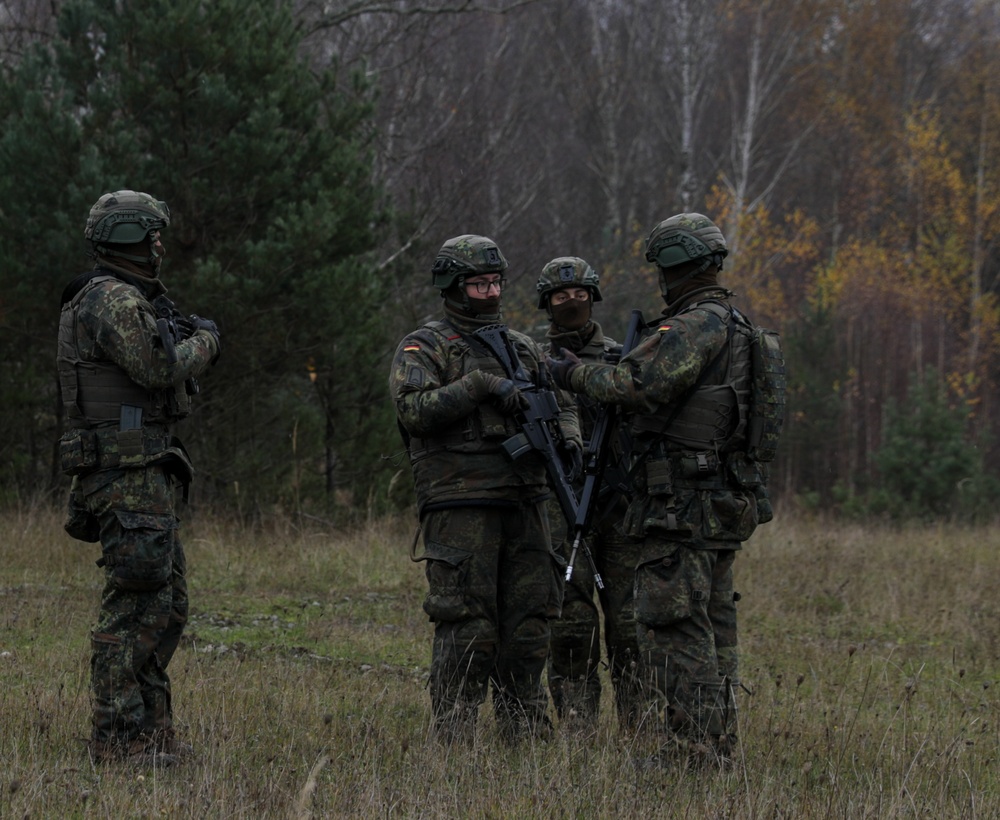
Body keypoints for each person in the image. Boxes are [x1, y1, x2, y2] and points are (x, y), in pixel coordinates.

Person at [548, 213, 767, 765]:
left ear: (674, 264)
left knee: (677, 625)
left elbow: (635, 384)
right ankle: (719, 744)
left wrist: (573, 373)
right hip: (720, 498)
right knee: (716, 625)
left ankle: (694, 746)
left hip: (683, 504)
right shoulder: (737, 324)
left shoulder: (694, 325)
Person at [389, 234, 581, 743]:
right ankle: (454, 736)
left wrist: (569, 439)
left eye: (495, 282)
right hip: (460, 501)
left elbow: (561, 401)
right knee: (468, 625)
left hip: (528, 498)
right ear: (453, 286)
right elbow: (412, 410)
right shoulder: (425, 346)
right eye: (478, 284)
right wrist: (480, 387)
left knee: (531, 622)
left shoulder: (522, 348)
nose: (490, 292)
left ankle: (526, 734)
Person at [56, 190, 221, 767]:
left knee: (164, 606)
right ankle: (118, 740)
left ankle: (150, 736)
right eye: (152, 234)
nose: (160, 245)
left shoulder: (131, 298)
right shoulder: (110, 299)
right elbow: (155, 366)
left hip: (143, 470)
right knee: (133, 608)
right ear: (131, 236)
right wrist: (206, 341)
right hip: (124, 473)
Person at [534, 257, 642, 731]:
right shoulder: (532, 359)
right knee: (571, 625)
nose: (571, 302)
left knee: (631, 625)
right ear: (547, 303)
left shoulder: (623, 358)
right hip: (560, 509)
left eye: (580, 293)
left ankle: (641, 725)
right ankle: (578, 728)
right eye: (561, 295)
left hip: (619, 508)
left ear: (594, 298)